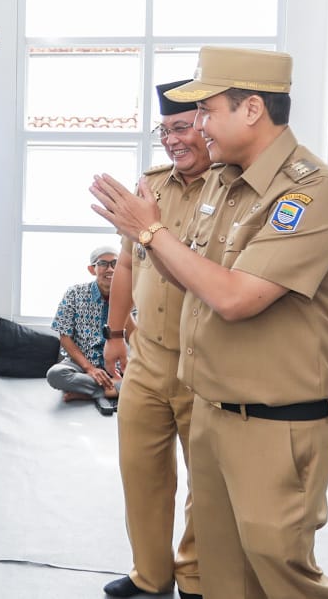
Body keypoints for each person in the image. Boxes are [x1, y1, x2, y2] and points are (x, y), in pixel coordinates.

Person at [92, 47, 328, 599]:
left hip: (274, 422)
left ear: (253, 109)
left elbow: (236, 298)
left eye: (208, 112)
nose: (199, 128)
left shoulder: (311, 195)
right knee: (222, 575)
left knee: (279, 569)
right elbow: (188, 273)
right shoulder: (224, 182)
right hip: (212, 404)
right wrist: (141, 235)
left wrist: (149, 233)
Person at [101, 81, 211, 599]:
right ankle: (152, 575)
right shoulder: (150, 185)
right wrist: (113, 333)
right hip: (146, 355)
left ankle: (193, 573)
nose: (172, 141)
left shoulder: (231, 191)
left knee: (206, 481)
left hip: (207, 362)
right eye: (164, 131)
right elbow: (127, 261)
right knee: (139, 470)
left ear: (208, 126)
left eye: (182, 127)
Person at [45, 245, 119, 415]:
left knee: (148, 380)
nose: (110, 269)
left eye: (115, 263)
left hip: (116, 366)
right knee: (55, 374)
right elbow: (64, 336)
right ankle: (111, 391)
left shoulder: (130, 295)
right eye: (103, 264)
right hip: (80, 364)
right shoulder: (74, 293)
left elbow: (134, 336)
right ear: (92, 269)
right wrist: (90, 369)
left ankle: (90, 392)